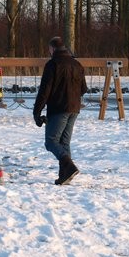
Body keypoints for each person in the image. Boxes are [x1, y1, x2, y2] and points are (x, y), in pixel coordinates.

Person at [33, 36, 88, 185]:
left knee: (51, 142)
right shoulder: (77, 64)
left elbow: (45, 90)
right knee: (64, 143)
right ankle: (65, 176)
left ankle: (69, 167)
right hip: (74, 108)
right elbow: (83, 89)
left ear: (52, 49)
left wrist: (36, 112)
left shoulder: (52, 65)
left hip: (59, 108)